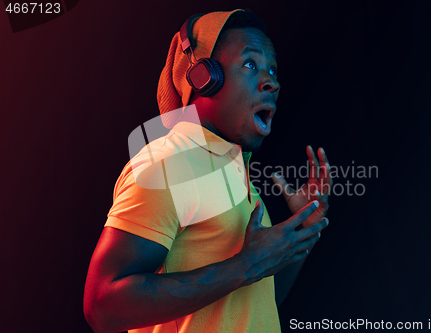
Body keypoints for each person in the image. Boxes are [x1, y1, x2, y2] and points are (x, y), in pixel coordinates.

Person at [84, 9, 332, 333]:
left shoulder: (239, 177)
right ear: (205, 77)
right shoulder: (166, 162)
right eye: (250, 64)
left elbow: (258, 302)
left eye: (272, 70)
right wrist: (246, 265)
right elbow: (104, 306)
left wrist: (304, 230)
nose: (272, 82)